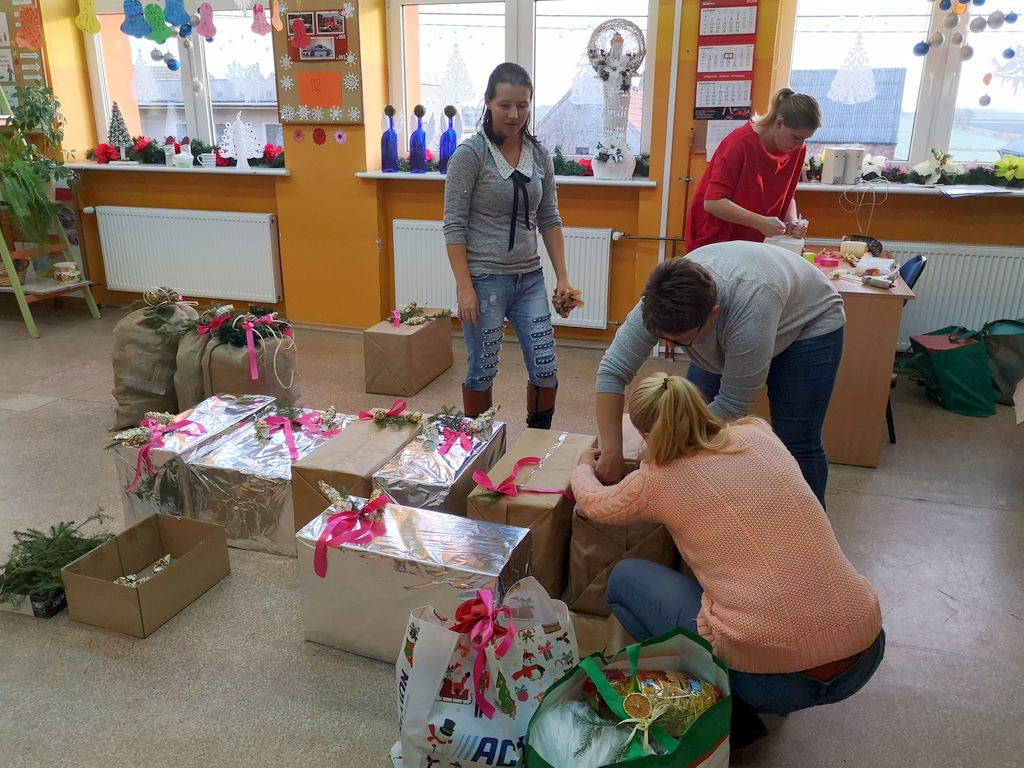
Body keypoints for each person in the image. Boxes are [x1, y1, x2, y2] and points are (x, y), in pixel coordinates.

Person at [572, 373, 885, 748]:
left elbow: (595, 504)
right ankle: (766, 682)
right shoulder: (758, 433)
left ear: (646, 434)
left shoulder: (657, 480)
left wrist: (582, 467)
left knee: (624, 580)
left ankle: (731, 715)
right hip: (865, 649)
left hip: (775, 683)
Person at [594, 241, 845, 508]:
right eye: (662, 338)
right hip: (747, 310)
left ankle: (809, 526)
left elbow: (733, 404)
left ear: (713, 314)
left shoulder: (751, 308)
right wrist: (612, 451)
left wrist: (664, 443)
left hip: (808, 322)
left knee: (796, 440)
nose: (670, 345)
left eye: (680, 342)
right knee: (695, 425)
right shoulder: (656, 302)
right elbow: (612, 372)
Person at [444, 62, 575, 428]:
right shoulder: (471, 155)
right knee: (482, 369)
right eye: (505, 105)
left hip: (529, 278)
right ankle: (478, 445)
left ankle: (538, 439)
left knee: (545, 367)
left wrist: (562, 277)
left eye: (522, 105)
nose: (514, 114)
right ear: (488, 102)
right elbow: (454, 226)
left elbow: (549, 218)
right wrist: (465, 290)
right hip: (484, 280)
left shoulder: (540, 155)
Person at [686, 88, 822, 251]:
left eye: (805, 139)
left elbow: (786, 195)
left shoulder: (796, 150)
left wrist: (792, 221)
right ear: (779, 123)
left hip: (754, 242)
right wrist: (761, 222)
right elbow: (713, 202)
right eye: (797, 137)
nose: (800, 144)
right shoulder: (739, 144)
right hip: (717, 238)